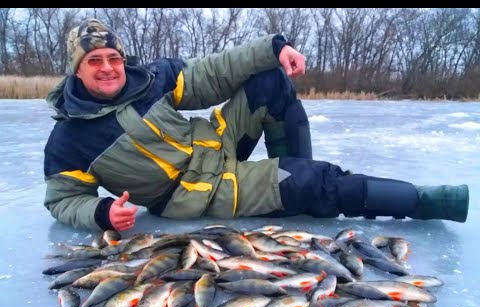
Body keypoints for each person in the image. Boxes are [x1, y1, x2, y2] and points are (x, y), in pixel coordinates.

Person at [43, 19, 469, 233]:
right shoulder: (68, 139)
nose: (107, 68)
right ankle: (423, 202)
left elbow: (213, 73)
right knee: (309, 180)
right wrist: (101, 212)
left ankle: (299, 188)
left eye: (112, 57)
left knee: (269, 82)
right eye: (93, 61)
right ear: (75, 70)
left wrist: (274, 48)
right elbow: (63, 201)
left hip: (215, 144)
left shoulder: (148, 80)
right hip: (195, 194)